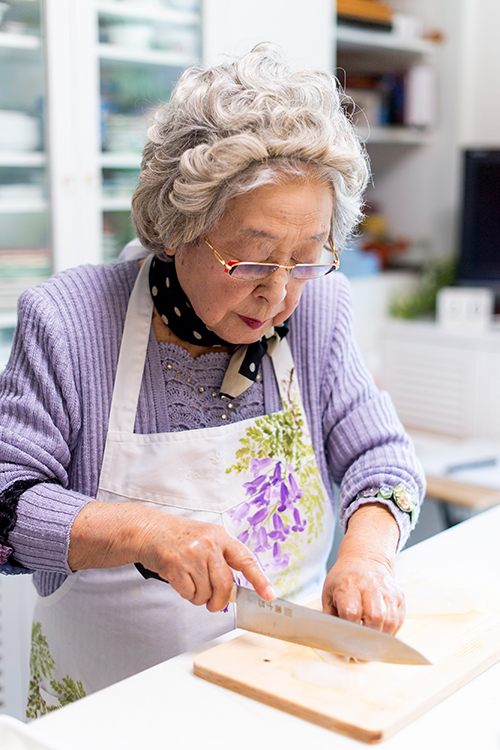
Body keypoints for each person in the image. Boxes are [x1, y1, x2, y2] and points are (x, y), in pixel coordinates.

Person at [0, 44, 425, 716]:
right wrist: (143, 530)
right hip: (103, 712)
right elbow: (5, 501)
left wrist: (368, 555)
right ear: (176, 228)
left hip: (280, 691)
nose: (279, 295)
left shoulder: (318, 309)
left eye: (306, 258)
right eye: (252, 261)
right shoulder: (72, 320)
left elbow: (382, 457)